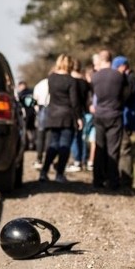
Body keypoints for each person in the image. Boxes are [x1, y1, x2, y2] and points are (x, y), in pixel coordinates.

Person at [38, 54, 81, 184]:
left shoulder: (51, 78)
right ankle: (59, 174)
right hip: (67, 115)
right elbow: (74, 102)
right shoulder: (71, 81)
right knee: (65, 146)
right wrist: (78, 118)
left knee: (53, 144)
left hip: (53, 115)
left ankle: (44, 171)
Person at [90, 50, 129, 189]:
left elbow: (94, 95)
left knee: (100, 147)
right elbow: (124, 94)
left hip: (100, 115)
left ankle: (97, 180)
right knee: (113, 149)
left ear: (100, 60)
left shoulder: (95, 77)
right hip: (114, 114)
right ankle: (113, 181)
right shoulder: (119, 76)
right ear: (111, 60)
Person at [113, 56, 135, 187]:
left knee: (124, 149)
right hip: (125, 117)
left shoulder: (131, 79)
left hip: (127, 117)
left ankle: (125, 181)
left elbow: (125, 97)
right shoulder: (130, 78)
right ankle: (121, 177)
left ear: (123, 67)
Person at [31, 75, 51, 169]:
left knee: (40, 136)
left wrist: (36, 110)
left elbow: (35, 99)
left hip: (41, 109)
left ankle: (39, 159)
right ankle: (48, 160)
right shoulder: (53, 83)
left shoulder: (40, 84)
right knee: (49, 137)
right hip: (51, 109)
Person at [17, 81, 36, 150]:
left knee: (25, 129)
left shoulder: (21, 94)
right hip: (32, 113)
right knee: (31, 129)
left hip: (25, 114)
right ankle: (32, 143)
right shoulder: (31, 92)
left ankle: (26, 144)